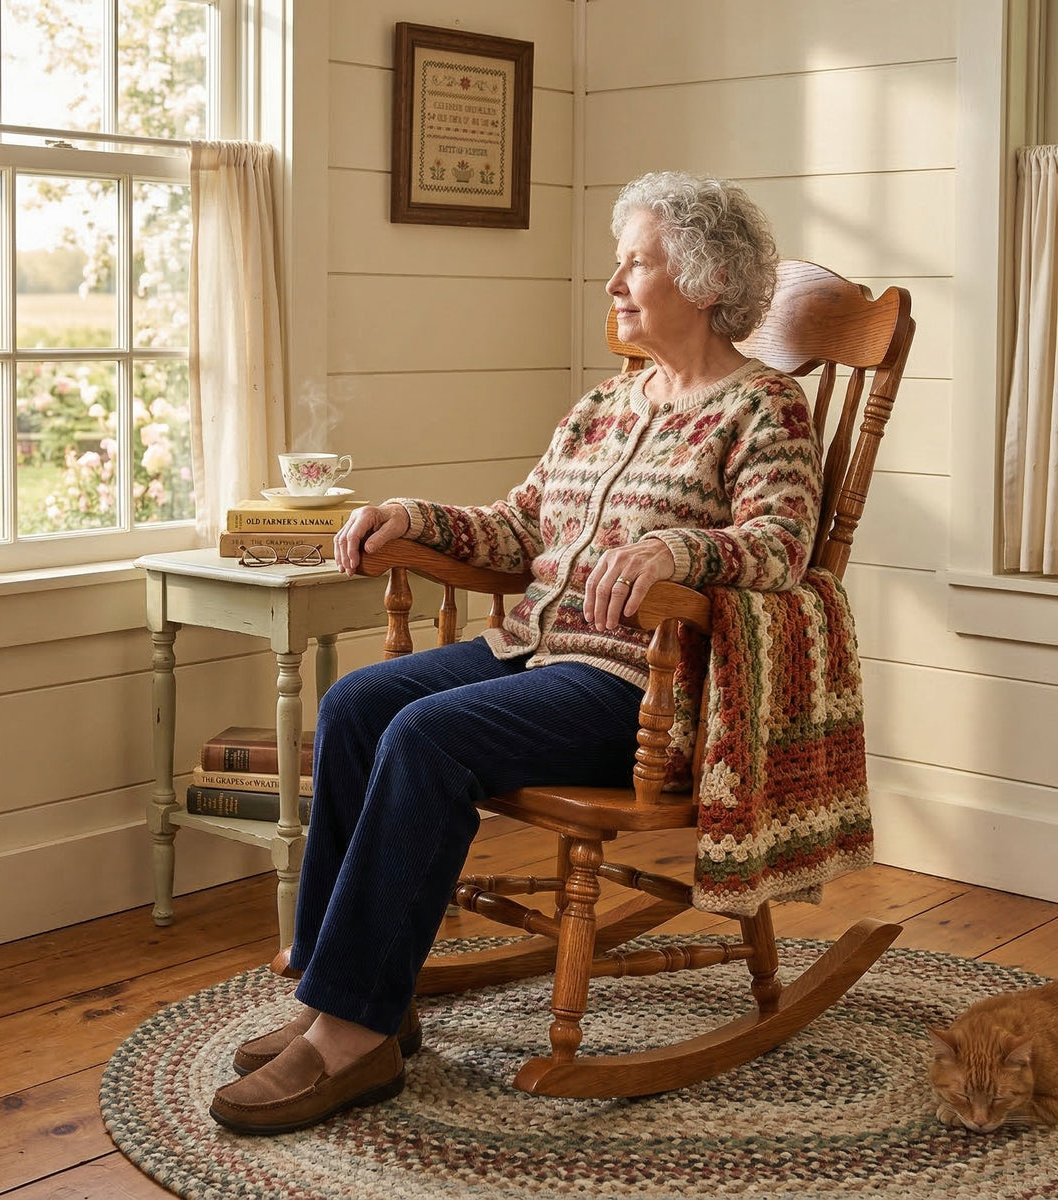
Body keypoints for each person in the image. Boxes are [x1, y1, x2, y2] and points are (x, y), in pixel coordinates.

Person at [209, 170, 823, 1135]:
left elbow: (783, 549)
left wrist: (680, 549)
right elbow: (516, 529)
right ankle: (361, 994)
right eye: (617, 263)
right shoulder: (600, 407)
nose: (615, 283)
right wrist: (406, 515)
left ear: (704, 282)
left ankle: (350, 1038)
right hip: (532, 647)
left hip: (636, 686)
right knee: (356, 706)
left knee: (426, 738)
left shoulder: (765, 409)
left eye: (637, 263)